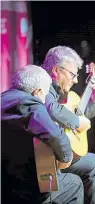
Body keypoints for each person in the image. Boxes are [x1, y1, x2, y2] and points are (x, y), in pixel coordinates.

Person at [1, 65, 84, 204]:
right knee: (74, 183)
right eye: (45, 96)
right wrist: (66, 157)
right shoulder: (29, 103)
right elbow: (56, 135)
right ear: (38, 91)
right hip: (26, 189)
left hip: (4, 186)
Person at [41, 46, 95, 204]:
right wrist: (77, 122)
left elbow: (74, 118)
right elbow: (52, 109)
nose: (76, 80)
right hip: (45, 160)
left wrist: (94, 99)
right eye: (72, 74)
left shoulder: (57, 89)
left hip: (56, 154)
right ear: (56, 70)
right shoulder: (42, 84)